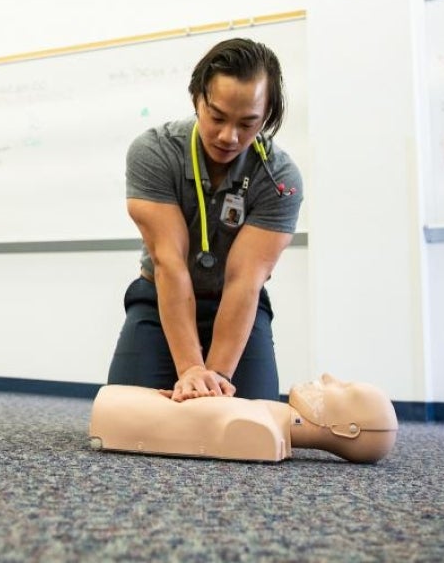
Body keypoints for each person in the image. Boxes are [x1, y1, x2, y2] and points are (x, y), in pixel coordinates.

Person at [106, 38, 303, 402]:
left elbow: (245, 279)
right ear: (197, 98)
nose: (229, 136)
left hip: (237, 302)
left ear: (268, 114)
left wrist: (215, 377)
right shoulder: (154, 153)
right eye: (217, 117)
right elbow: (169, 262)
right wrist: (190, 369)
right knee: (126, 416)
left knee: (248, 419)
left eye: (248, 123)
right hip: (159, 296)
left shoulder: (280, 179)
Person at [89, 373, 399, 464]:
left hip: (114, 410)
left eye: (343, 389)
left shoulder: (260, 429)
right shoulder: (264, 418)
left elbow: (185, 414)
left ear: (348, 429)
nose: (328, 378)